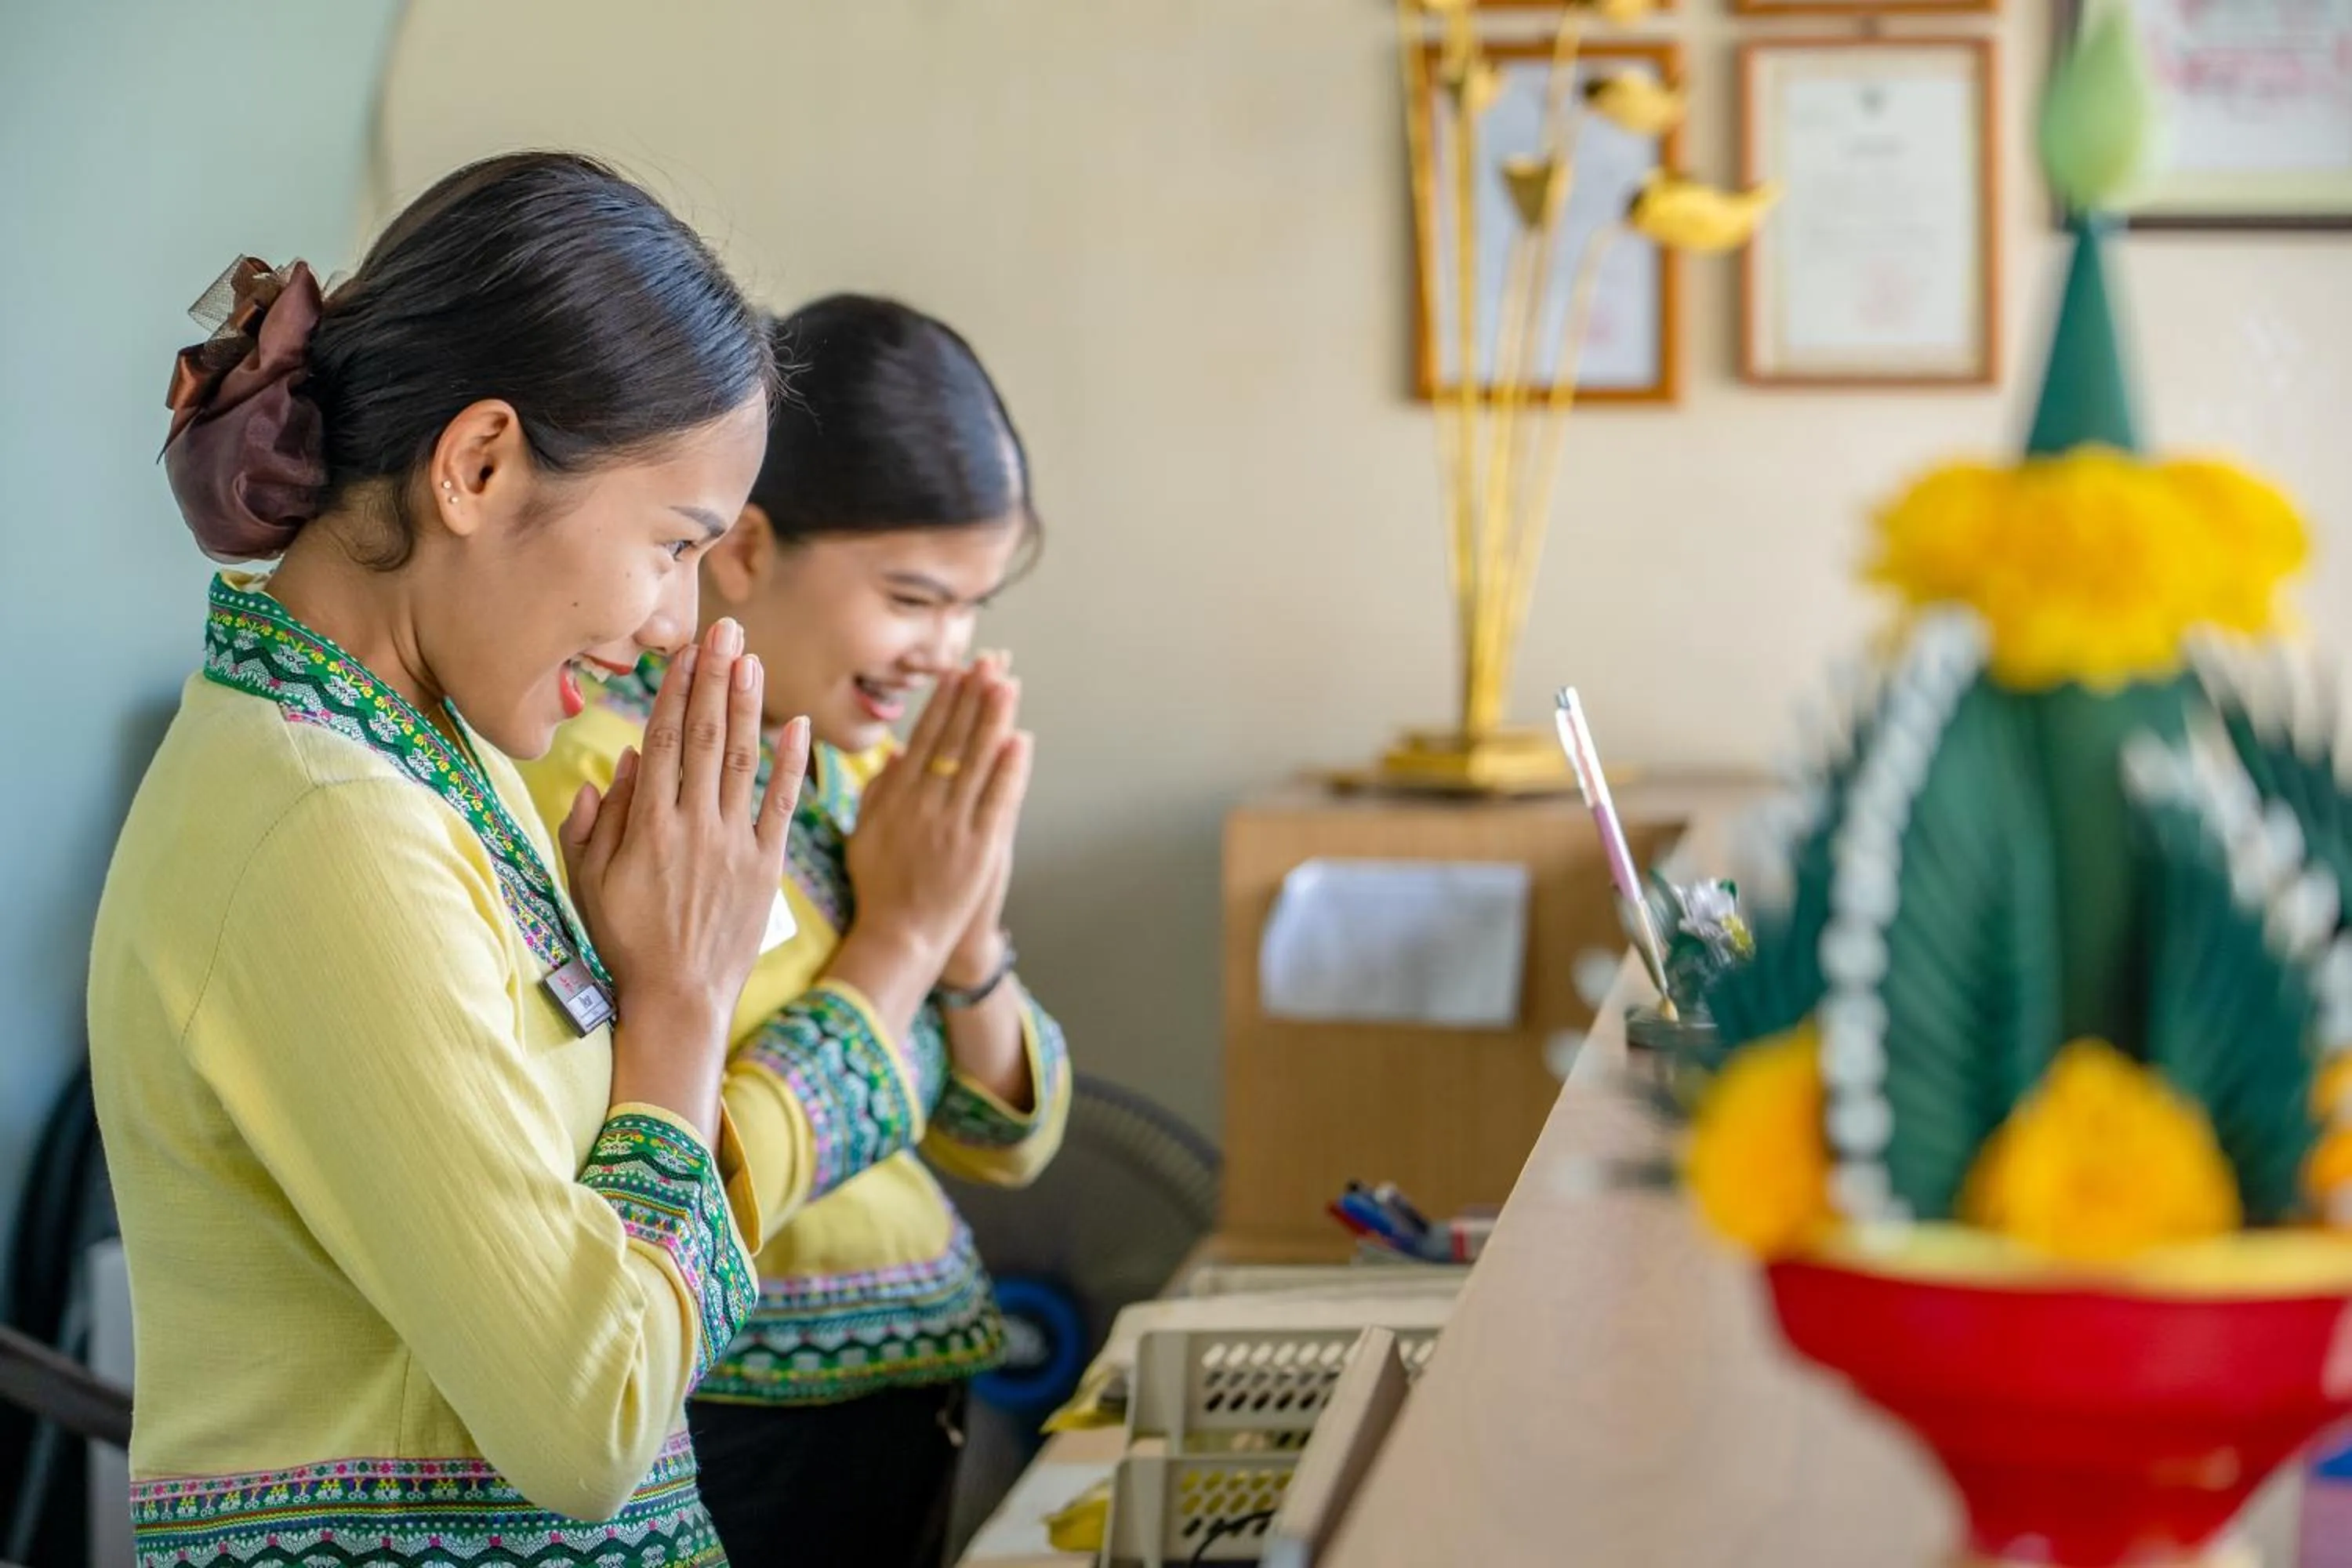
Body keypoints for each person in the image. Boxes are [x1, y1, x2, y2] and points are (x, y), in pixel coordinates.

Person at [89, 154, 941, 1568]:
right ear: (477, 465)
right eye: (672, 545)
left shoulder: (435, 753)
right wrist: (679, 1005)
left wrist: (645, 969)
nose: (675, 623)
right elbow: (588, 1424)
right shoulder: (326, 821)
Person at [520, 293, 1073, 1567]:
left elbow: (1009, 1136)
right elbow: (691, 1152)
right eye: (915, 597)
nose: (947, 652)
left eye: (973, 607)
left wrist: (966, 938)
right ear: (750, 547)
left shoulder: (850, 778)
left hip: (892, 1423)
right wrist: (903, 942)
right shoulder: (610, 773)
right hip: (735, 1435)